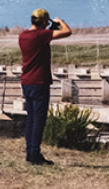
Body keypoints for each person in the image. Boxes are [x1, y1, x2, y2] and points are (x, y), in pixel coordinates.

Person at [19, 8, 71, 165]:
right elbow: (67, 32)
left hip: (26, 82)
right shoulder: (41, 35)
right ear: (43, 22)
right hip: (39, 83)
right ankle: (35, 154)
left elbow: (43, 37)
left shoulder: (23, 36)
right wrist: (59, 21)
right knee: (39, 120)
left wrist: (49, 27)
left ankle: (30, 152)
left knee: (31, 119)